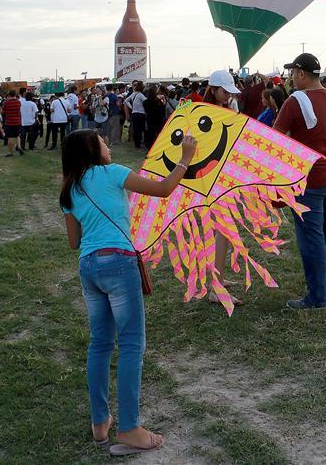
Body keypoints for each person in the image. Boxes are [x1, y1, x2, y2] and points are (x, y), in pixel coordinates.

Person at [60, 128, 197, 455]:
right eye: (103, 141)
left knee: (100, 344)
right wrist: (185, 159)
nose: (108, 145)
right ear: (93, 149)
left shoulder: (67, 190)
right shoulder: (113, 172)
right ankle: (131, 428)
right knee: (132, 343)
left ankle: (100, 423)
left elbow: (73, 241)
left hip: (88, 267)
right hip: (118, 264)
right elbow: (164, 190)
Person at [274, 53, 326, 310]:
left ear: (302, 73)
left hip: (308, 180)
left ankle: (317, 297)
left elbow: (275, 138)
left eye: (293, 72)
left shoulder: (295, 101)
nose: (291, 78)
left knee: (311, 237)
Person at [202, 70, 243, 305]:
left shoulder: (222, 111)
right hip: (215, 179)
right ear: (213, 89)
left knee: (223, 232)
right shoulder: (205, 115)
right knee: (223, 230)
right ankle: (215, 287)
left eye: (230, 92)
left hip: (224, 177)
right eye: (224, 91)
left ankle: (216, 280)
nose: (228, 95)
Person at [124, 82, 146, 149]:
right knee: (141, 129)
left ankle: (137, 144)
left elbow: (126, 101)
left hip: (134, 113)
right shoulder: (140, 95)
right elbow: (146, 101)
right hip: (141, 113)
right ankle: (140, 143)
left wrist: (131, 107)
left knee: (136, 129)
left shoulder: (133, 94)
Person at [2, 90, 23, 157]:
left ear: (9, 95)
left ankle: (10, 152)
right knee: (17, 135)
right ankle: (19, 146)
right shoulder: (18, 102)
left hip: (9, 122)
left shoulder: (6, 103)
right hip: (17, 121)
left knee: (10, 137)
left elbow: (3, 112)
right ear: (15, 94)